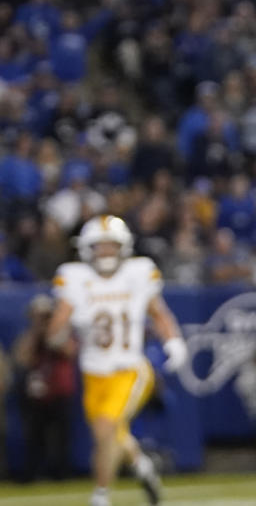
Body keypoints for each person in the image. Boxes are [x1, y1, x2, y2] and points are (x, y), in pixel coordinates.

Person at [46, 215, 188, 506]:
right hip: (93, 372)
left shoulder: (138, 273)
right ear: (87, 249)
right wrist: (59, 334)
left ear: (124, 247)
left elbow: (159, 313)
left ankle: (100, 495)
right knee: (113, 433)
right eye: (100, 246)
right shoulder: (76, 279)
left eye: (112, 245)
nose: (106, 252)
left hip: (129, 369)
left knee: (106, 429)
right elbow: (56, 329)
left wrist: (173, 341)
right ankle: (142, 466)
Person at [13, 295, 77, 481]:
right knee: (34, 437)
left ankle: (61, 473)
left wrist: (52, 334)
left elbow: (70, 351)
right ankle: (32, 473)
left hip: (60, 391)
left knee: (61, 437)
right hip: (36, 394)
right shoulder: (29, 336)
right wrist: (35, 333)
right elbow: (22, 359)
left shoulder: (62, 333)